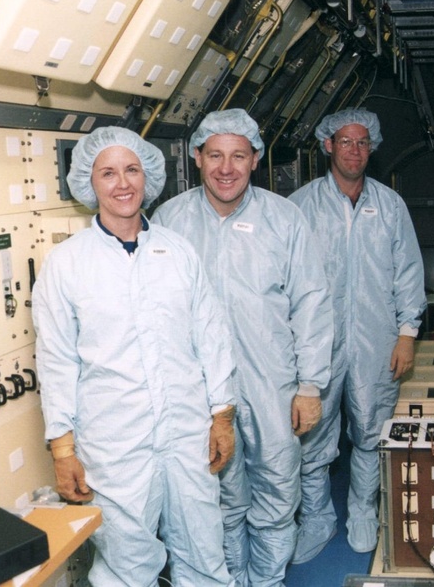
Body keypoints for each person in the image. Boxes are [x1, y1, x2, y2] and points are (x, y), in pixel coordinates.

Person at [32, 126, 236, 586]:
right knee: (128, 565)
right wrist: (63, 450)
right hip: (114, 444)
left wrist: (222, 415)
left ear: (148, 176)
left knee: (205, 554)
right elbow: (57, 360)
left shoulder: (177, 252)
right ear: (90, 182)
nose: (122, 183)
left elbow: (211, 336)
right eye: (108, 173)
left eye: (131, 170)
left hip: (187, 434)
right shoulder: (66, 264)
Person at [153, 109, 332, 587]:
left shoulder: (284, 218)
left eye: (238, 156)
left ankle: (268, 580)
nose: (226, 168)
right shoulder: (169, 222)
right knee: (220, 499)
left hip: (273, 384)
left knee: (276, 490)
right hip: (201, 393)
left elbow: (312, 303)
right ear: (196, 158)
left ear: (256, 159)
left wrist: (310, 385)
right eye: (215, 155)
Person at [288, 108, 427, 560]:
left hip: (376, 339)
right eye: (345, 141)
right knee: (313, 433)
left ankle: (363, 510)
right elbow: (286, 278)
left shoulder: (389, 205)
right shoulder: (300, 206)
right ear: (327, 145)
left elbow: (408, 270)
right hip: (316, 344)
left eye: (363, 142)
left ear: (373, 147)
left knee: (370, 428)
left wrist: (407, 333)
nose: (354, 150)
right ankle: (317, 516)